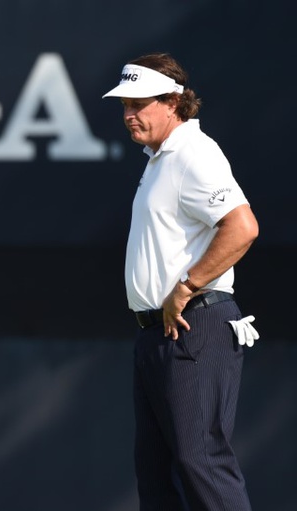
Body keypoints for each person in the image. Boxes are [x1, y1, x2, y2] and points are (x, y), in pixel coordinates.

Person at [102, 53, 260, 510]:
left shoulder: (192, 153)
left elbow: (242, 226)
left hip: (196, 327)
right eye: (124, 106)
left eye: (139, 104)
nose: (129, 115)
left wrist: (187, 286)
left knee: (200, 462)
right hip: (157, 334)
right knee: (157, 475)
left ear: (172, 102)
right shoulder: (158, 159)